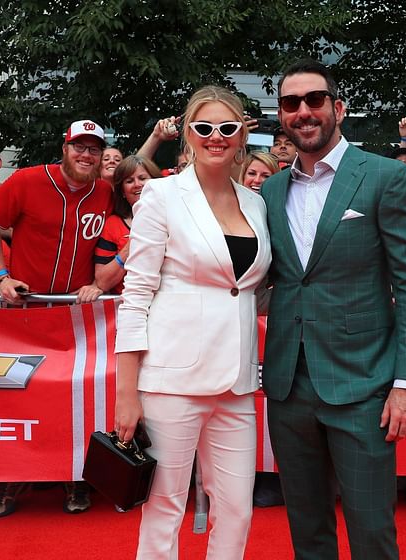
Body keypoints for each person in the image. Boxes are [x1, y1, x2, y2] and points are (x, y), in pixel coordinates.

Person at [260, 59, 406, 560]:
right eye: (291, 104)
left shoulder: (381, 177)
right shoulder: (269, 191)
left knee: (371, 529)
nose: (303, 112)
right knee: (307, 529)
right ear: (282, 116)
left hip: (363, 384)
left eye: (314, 100)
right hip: (289, 384)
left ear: (338, 108)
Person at [114, 85, 271, 560]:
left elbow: (253, 288)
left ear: (243, 133)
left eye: (227, 127)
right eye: (204, 128)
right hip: (171, 379)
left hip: (238, 383)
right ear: (187, 134)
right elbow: (135, 293)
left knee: (238, 510)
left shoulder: (256, 203)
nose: (216, 137)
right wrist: (127, 392)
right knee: (164, 506)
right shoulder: (161, 195)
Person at [0, 119, 113, 517]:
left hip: (74, 312)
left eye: (94, 149)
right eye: (79, 147)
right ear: (64, 147)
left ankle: (75, 478)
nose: (86, 155)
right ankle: (7, 479)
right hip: (27, 309)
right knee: (17, 397)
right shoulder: (27, 180)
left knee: (72, 398)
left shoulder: (104, 190)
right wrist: (1, 275)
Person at [93, 155, 161, 294]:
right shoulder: (113, 225)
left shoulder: (176, 216)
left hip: (167, 305)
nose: (137, 184)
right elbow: (102, 282)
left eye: (142, 178)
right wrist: (132, 245)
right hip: (128, 306)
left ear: (157, 182)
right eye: (129, 181)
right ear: (123, 192)